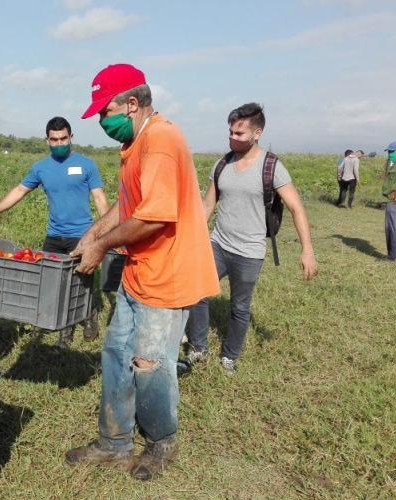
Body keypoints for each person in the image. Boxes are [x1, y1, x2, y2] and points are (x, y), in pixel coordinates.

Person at [64, 63, 219, 480]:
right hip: (139, 269)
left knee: (150, 364)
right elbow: (127, 205)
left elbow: (153, 217)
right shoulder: (135, 143)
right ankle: (114, 443)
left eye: (105, 110)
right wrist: (92, 234)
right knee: (116, 354)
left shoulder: (162, 140)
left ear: (133, 104)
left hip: (168, 274)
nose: (101, 120)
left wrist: (102, 245)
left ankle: (161, 442)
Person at [185, 103, 318, 373]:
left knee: (239, 305)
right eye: (230, 132)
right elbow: (207, 206)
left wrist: (307, 250)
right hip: (218, 244)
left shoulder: (272, 167)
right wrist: (189, 238)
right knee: (196, 292)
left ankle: (229, 356)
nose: (233, 138)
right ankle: (199, 347)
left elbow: (296, 207)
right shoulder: (222, 164)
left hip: (249, 252)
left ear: (257, 133)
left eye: (240, 134)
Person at [0, 116, 110, 345]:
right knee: (52, 283)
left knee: (82, 280)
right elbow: (19, 190)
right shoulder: (40, 168)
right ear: (47, 140)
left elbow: (100, 199)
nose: (59, 143)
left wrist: (109, 230)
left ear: (71, 137)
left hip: (82, 235)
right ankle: (59, 326)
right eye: (54, 139)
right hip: (54, 235)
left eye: (63, 138)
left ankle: (87, 317)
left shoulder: (86, 165)